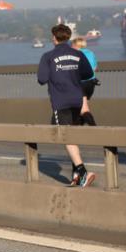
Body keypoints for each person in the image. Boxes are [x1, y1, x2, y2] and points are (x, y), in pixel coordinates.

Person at [38, 23, 96, 188]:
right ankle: (76, 176)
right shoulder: (77, 54)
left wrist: (56, 73)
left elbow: (42, 79)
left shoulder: (48, 56)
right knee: (73, 138)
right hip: (78, 100)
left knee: (65, 136)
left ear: (54, 38)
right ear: (69, 37)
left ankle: (83, 171)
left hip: (61, 100)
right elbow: (88, 73)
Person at [72, 37, 99, 126]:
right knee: (80, 108)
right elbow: (95, 68)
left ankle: (96, 130)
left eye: (72, 45)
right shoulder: (91, 53)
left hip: (81, 83)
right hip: (91, 84)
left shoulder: (76, 54)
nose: (71, 47)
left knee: (84, 109)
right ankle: (77, 130)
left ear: (76, 45)